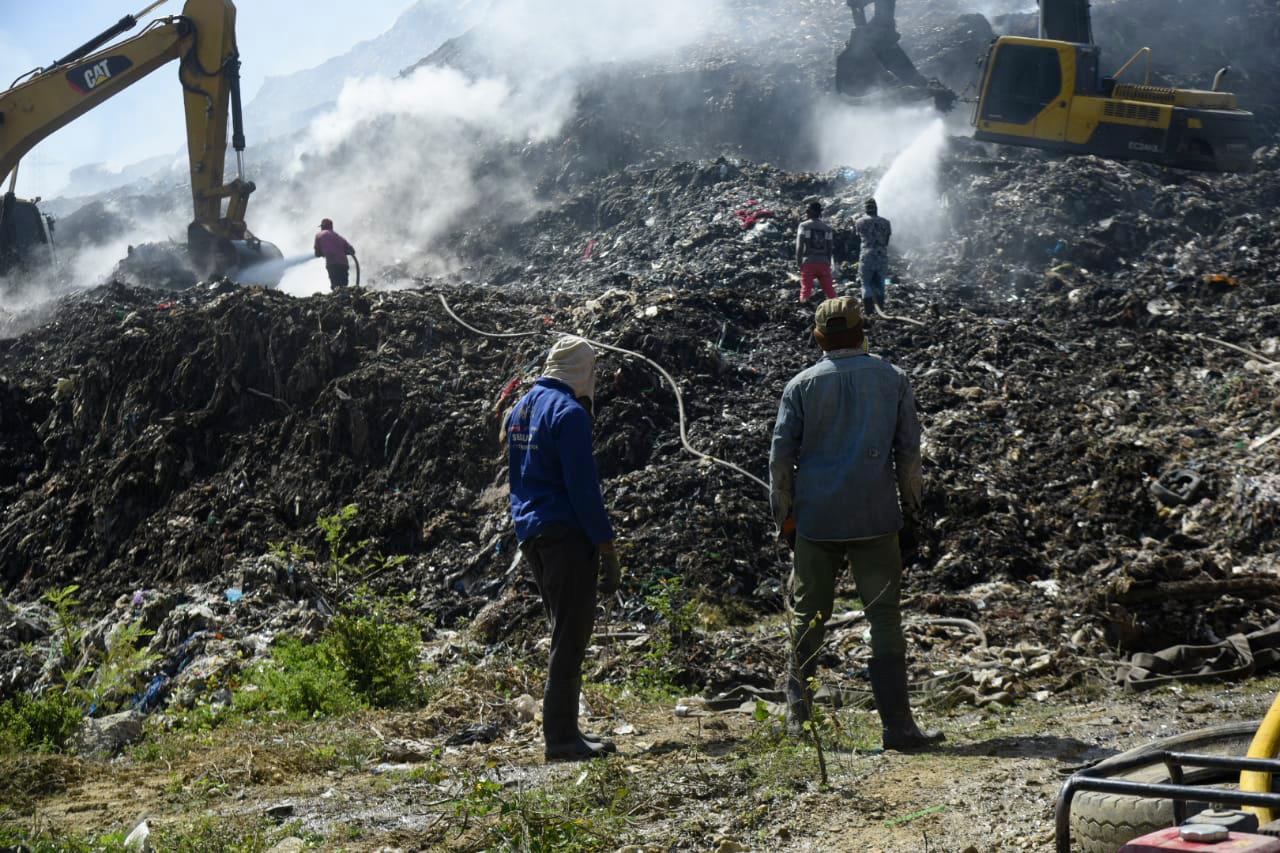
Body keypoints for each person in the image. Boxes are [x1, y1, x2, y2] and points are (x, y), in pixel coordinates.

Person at [769, 297, 942, 751]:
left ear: (819, 337)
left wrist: (784, 517)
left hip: (817, 519)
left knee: (810, 615)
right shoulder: (892, 379)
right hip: (875, 516)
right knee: (884, 617)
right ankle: (899, 728)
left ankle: (798, 721)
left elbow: (781, 459)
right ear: (864, 331)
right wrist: (912, 511)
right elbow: (908, 454)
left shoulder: (801, 386)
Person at [507, 337, 623, 762]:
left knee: (563, 632)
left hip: (532, 533)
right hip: (566, 534)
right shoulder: (570, 414)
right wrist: (606, 546)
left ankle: (568, 729)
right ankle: (560, 739)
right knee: (570, 637)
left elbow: (518, 477)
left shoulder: (520, 409)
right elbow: (583, 490)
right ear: (582, 372)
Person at [854, 198, 892, 316]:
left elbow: (857, 239)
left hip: (866, 256)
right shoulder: (886, 222)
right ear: (876, 208)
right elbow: (886, 242)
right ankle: (880, 310)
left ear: (865, 209)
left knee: (866, 284)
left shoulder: (859, 222)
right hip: (881, 256)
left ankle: (869, 313)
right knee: (880, 283)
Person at [795, 200, 838, 303]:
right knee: (830, 291)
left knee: (806, 291)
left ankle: (805, 310)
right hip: (823, 263)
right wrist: (827, 262)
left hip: (809, 262)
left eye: (807, 211)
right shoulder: (827, 228)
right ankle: (838, 308)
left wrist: (799, 262)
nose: (806, 213)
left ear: (810, 212)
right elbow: (829, 248)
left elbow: (800, 245)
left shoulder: (804, 226)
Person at [314, 218, 356, 289]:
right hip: (343, 264)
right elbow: (352, 251)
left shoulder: (319, 235)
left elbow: (317, 253)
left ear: (323, 227)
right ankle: (344, 297)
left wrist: (323, 253)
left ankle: (339, 298)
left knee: (335, 285)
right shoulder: (339, 237)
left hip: (332, 263)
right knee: (343, 285)